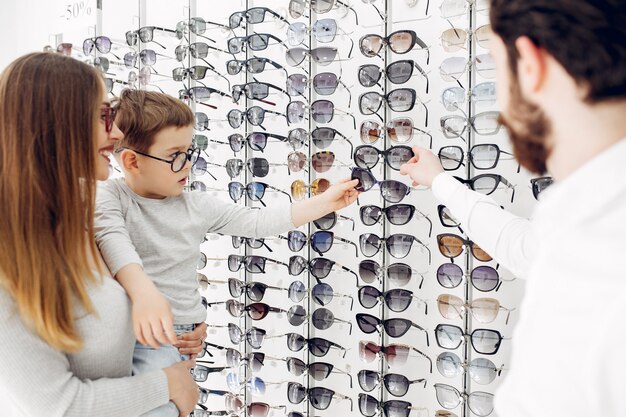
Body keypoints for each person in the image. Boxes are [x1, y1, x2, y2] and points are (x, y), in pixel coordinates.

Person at [399, 1, 626, 416]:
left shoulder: (597, 281)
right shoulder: (586, 224)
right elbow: (522, 246)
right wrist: (440, 181)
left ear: (529, 66)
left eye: (495, 65)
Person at [94, 89, 360, 416]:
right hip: (138, 334)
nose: (187, 164)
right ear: (132, 161)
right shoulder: (110, 197)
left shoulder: (197, 205)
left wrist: (324, 202)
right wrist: (145, 295)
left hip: (181, 335)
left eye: (190, 152)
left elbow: (258, 221)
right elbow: (113, 243)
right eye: (175, 154)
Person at [0, 52, 206, 417]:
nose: (118, 132)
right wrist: (170, 384)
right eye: (102, 116)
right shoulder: (10, 261)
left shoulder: (78, 217)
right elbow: (59, 407)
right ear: (57, 125)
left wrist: (178, 325)